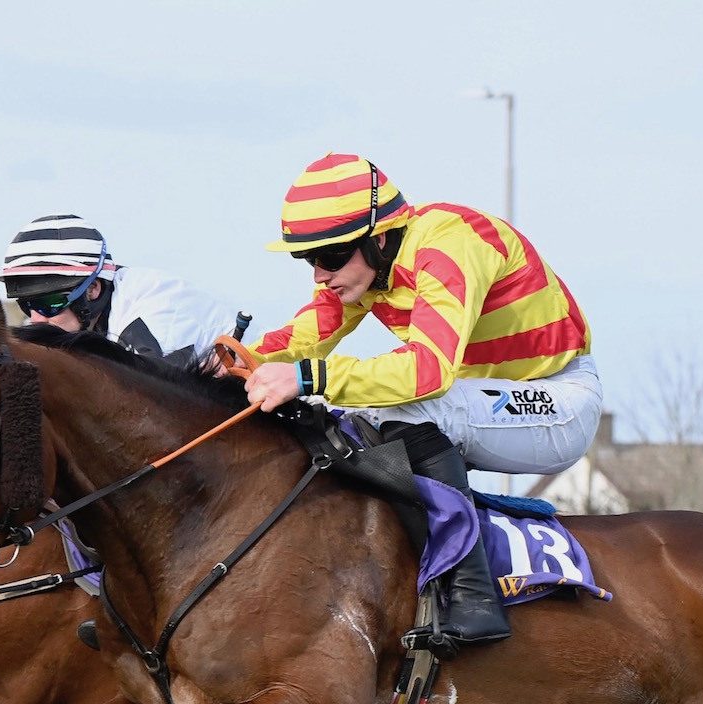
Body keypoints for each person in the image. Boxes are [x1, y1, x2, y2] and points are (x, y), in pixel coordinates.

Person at [246, 154, 600, 647]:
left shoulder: (448, 246)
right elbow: (301, 338)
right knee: (352, 419)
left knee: (408, 407)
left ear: (378, 239)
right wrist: (233, 360)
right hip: (482, 400)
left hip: (556, 402)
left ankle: (475, 596)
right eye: (309, 259)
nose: (320, 274)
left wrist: (308, 377)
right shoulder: (368, 273)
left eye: (329, 256)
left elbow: (428, 372)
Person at [0, 213, 241, 368]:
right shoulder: (64, 319)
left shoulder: (155, 308)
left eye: (49, 304)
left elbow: (150, 404)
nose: (36, 319)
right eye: (27, 305)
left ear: (93, 290)